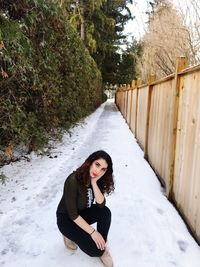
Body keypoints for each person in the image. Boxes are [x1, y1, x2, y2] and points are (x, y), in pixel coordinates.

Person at [56, 150, 115, 267]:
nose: (98, 171)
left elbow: (101, 205)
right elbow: (73, 215)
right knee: (95, 251)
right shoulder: (73, 180)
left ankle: (102, 247)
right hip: (67, 219)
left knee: (105, 213)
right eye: (97, 165)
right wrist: (93, 232)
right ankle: (68, 235)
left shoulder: (95, 179)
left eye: (103, 169)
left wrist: (94, 182)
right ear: (90, 162)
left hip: (82, 213)